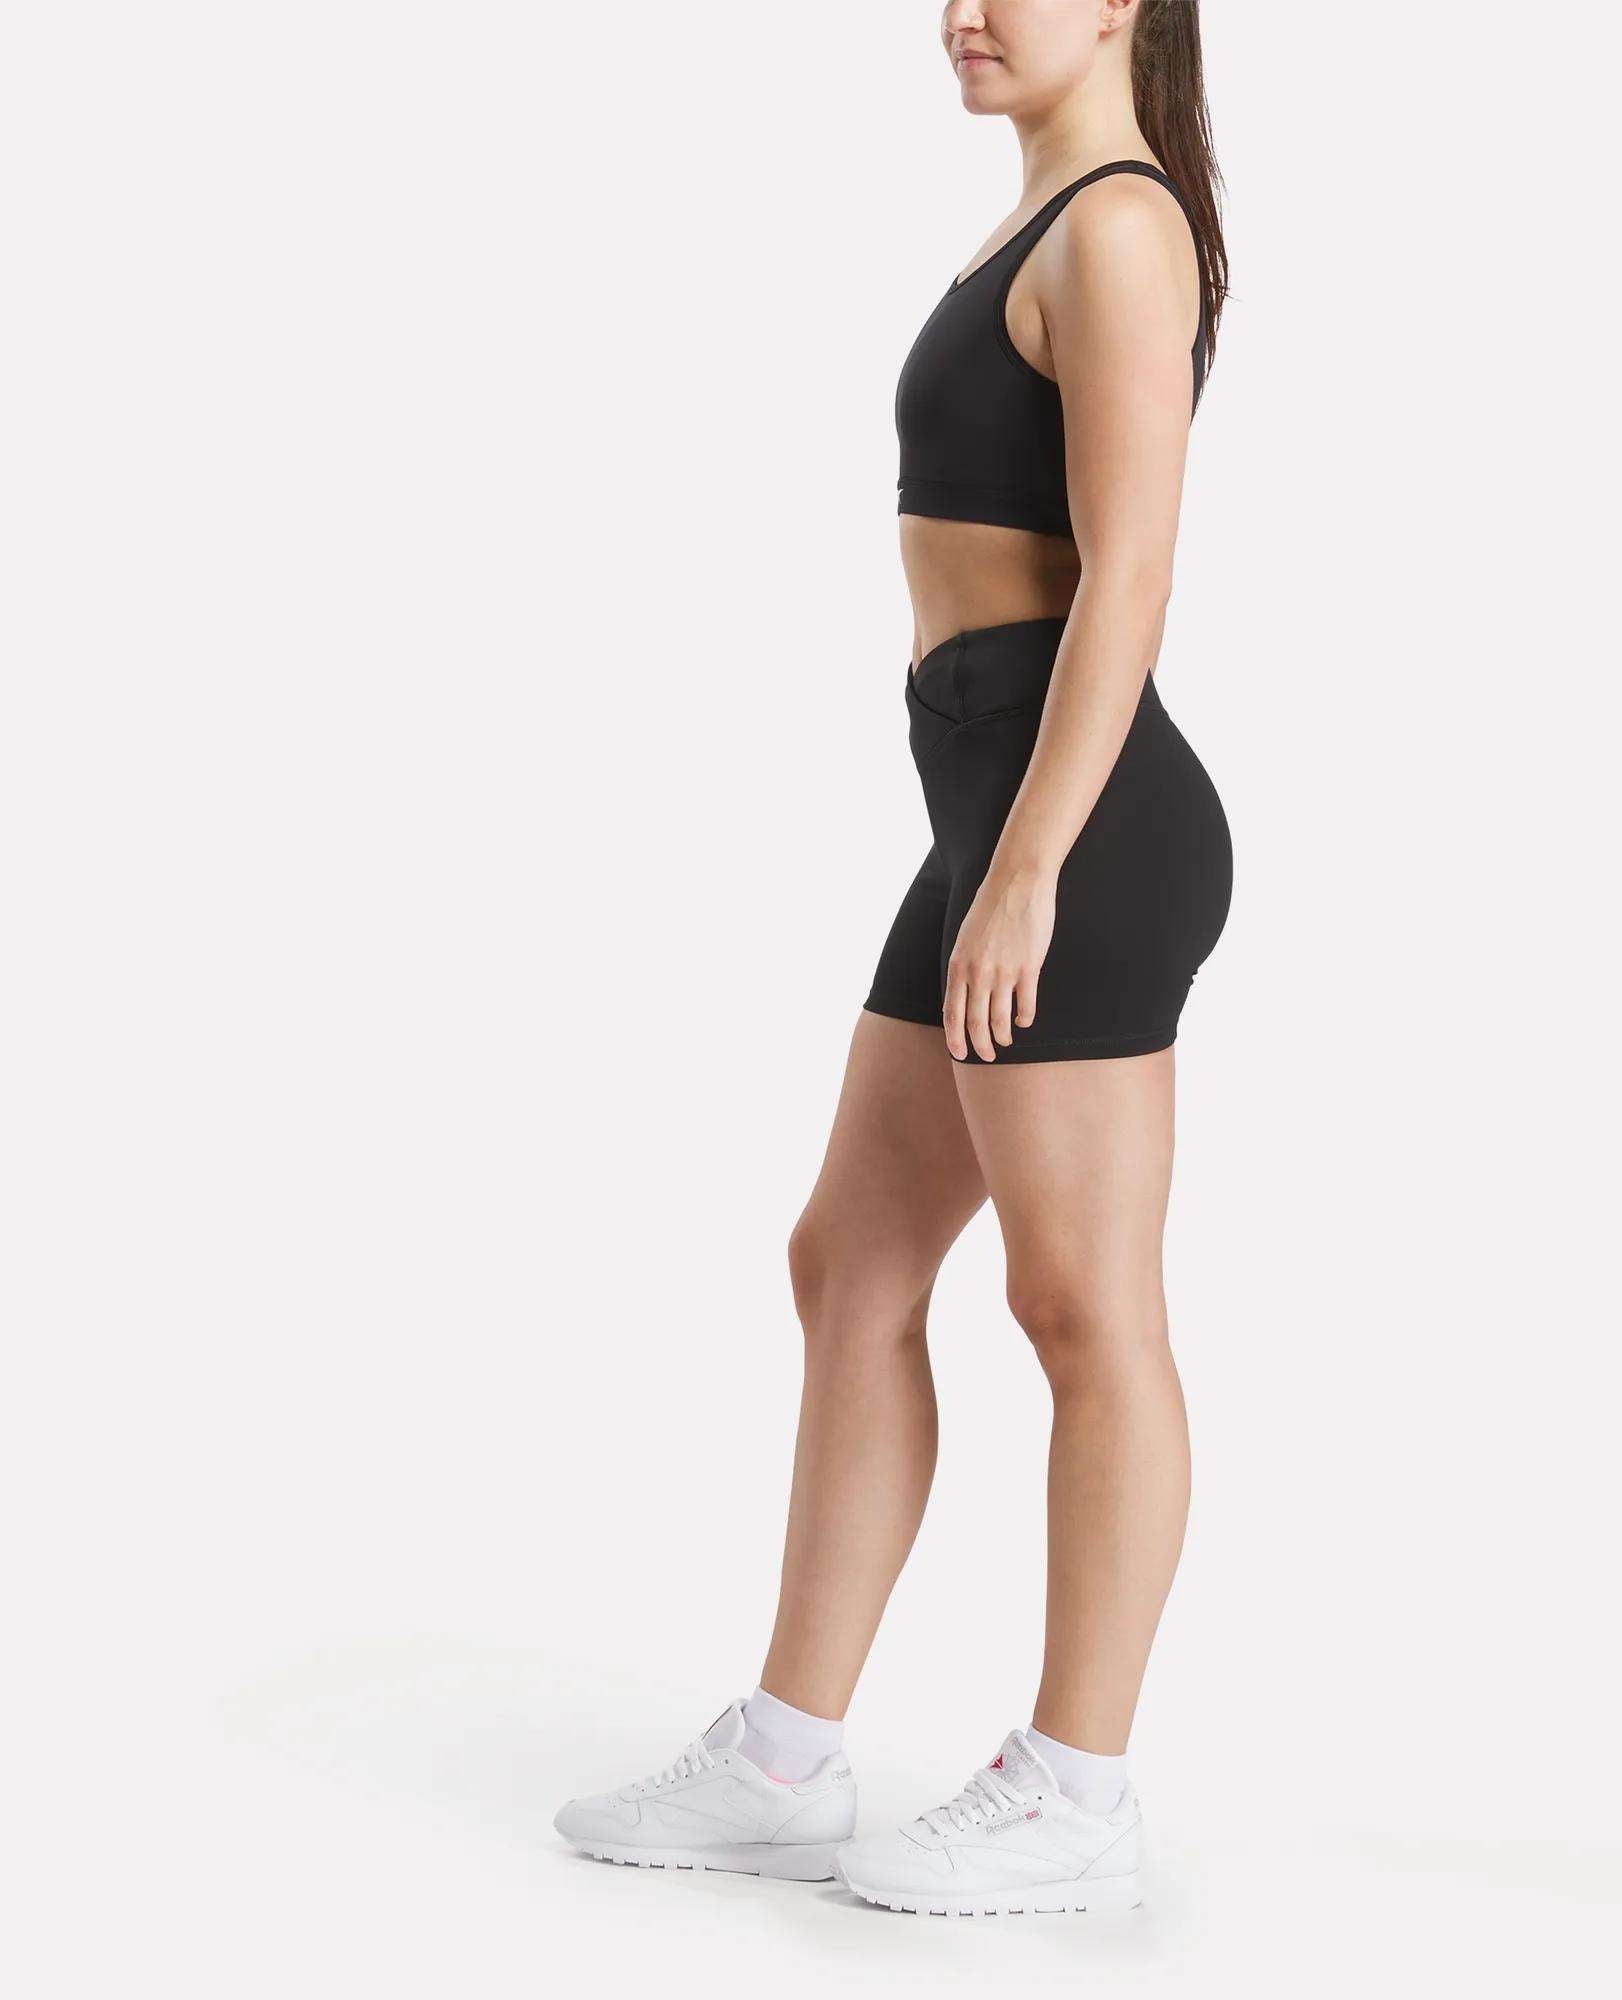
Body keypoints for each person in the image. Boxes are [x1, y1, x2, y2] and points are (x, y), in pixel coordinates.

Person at [556, 0, 1232, 1917]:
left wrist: (1026, 868)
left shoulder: (1121, 221)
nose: (966, 9)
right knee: (850, 1260)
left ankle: (1078, 1790)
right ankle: (788, 1754)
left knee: (1082, 1308)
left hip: (1070, 831)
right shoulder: (1037, 220)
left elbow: (1136, 570)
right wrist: (986, 853)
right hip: (989, 820)